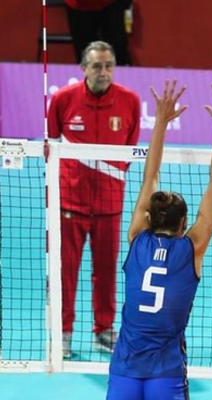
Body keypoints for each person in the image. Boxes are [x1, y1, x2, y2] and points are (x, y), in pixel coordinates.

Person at [105, 78, 212, 400]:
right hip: (164, 372)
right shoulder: (191, 248)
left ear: (150, 218)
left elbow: (149, 175)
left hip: (124, 367)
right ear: (184, 223)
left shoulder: (136, 238)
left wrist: (160, 123)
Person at [47, 40, 141, 358]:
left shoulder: (130, 101)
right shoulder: (62, 100)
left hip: (109, 205)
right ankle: (63, 334)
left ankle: (104, 331)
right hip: (69, 203)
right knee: (66, 271)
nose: (104, 72)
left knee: (106, 272)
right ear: (83, 68)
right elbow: (50, 146)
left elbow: (129, 150)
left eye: (109, 65)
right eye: (97, 66)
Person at [65, 0, 133, 65]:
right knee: (85, 52)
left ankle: (122, 73)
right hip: (79, 7)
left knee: (118, 48)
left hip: (110, 4)